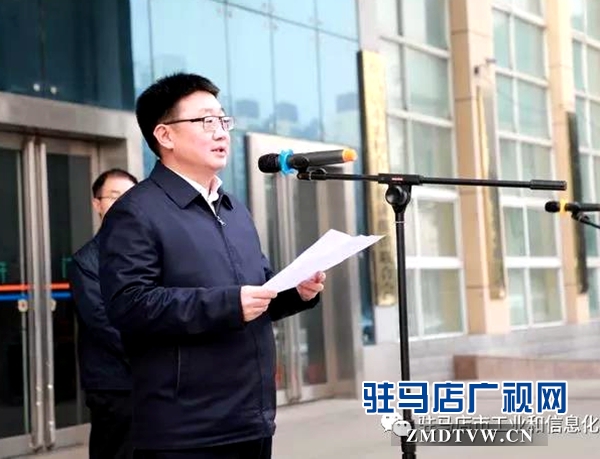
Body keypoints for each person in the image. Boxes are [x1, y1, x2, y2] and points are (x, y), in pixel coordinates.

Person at [97, 72, 326, 459]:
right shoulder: (136, 212)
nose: (221, 132)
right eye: (206, 121)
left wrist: (296, 292)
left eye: (223, 120)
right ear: (165, 135)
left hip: (251, 417)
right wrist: (229, 304)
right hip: (187, 431)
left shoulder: (232, 208)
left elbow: (257, 289)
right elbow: (130, 304)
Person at [69, 168, 138, 459]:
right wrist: (152, 352)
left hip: (154, 378)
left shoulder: (148, 252)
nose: (124, 204)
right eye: (114, 196)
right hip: (114, 383)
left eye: (131, 196)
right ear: (97, 204)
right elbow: (102, 321)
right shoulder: (86, 261)